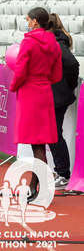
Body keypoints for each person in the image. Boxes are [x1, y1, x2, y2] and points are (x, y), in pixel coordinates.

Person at [9, 7, 63, 194]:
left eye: (28, 19)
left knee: (36, 144)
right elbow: (57, 74)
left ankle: (36, 186)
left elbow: (21, 69)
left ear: (34, 21)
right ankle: (38, 185)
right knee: (40, 143)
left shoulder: (28, 42)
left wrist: (14, 86)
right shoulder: (54, 44)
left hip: (30, 92)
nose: (27, 22)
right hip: (45, 92)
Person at [48, 14, 79, 188]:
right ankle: (60, 170)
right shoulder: (58, 41)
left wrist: (68, 85)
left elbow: (72, 64)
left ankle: (63, 173)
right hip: (55, 94)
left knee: (54, 134)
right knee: (52, 133)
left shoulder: (57, 43)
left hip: (57, 95)